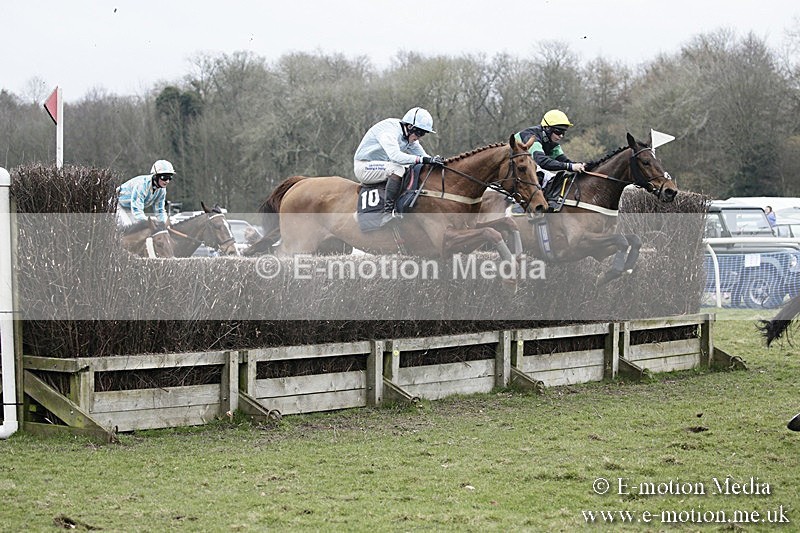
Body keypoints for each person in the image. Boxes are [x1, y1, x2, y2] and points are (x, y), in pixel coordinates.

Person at [354, 107, 444, 225]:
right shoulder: (389, 131)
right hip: (364, 167)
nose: (419, 137)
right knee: (397, 168)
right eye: (419, 132)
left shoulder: (409, 136)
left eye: (423, 134)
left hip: (381, 166)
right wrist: (423, 159)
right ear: (410, 127)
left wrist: (434, 161)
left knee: (412, 167)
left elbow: (424, 157)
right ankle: (387, 213)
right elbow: (395, 156)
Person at [515, 109, 586, 188]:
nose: (561, 136)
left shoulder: (552, 142)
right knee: (541, 175)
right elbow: (542, 161)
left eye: (563, 132)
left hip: (523, 168)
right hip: (510, 170)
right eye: (558, 132)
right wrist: (570, 166)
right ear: (547, 128)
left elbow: (564, 161)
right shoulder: (532, 136)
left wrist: (581, 166)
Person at [116, 160, 175, 227]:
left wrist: (165, 224)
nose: (167, 181)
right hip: (117, 204)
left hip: (130, 207)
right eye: (164, 177)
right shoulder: (142, 185)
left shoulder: (162, 190)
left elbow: (159, 210)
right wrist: (148, 224)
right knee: (127, 226)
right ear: (155, 176)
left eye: (170, 178)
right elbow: (137, 210)